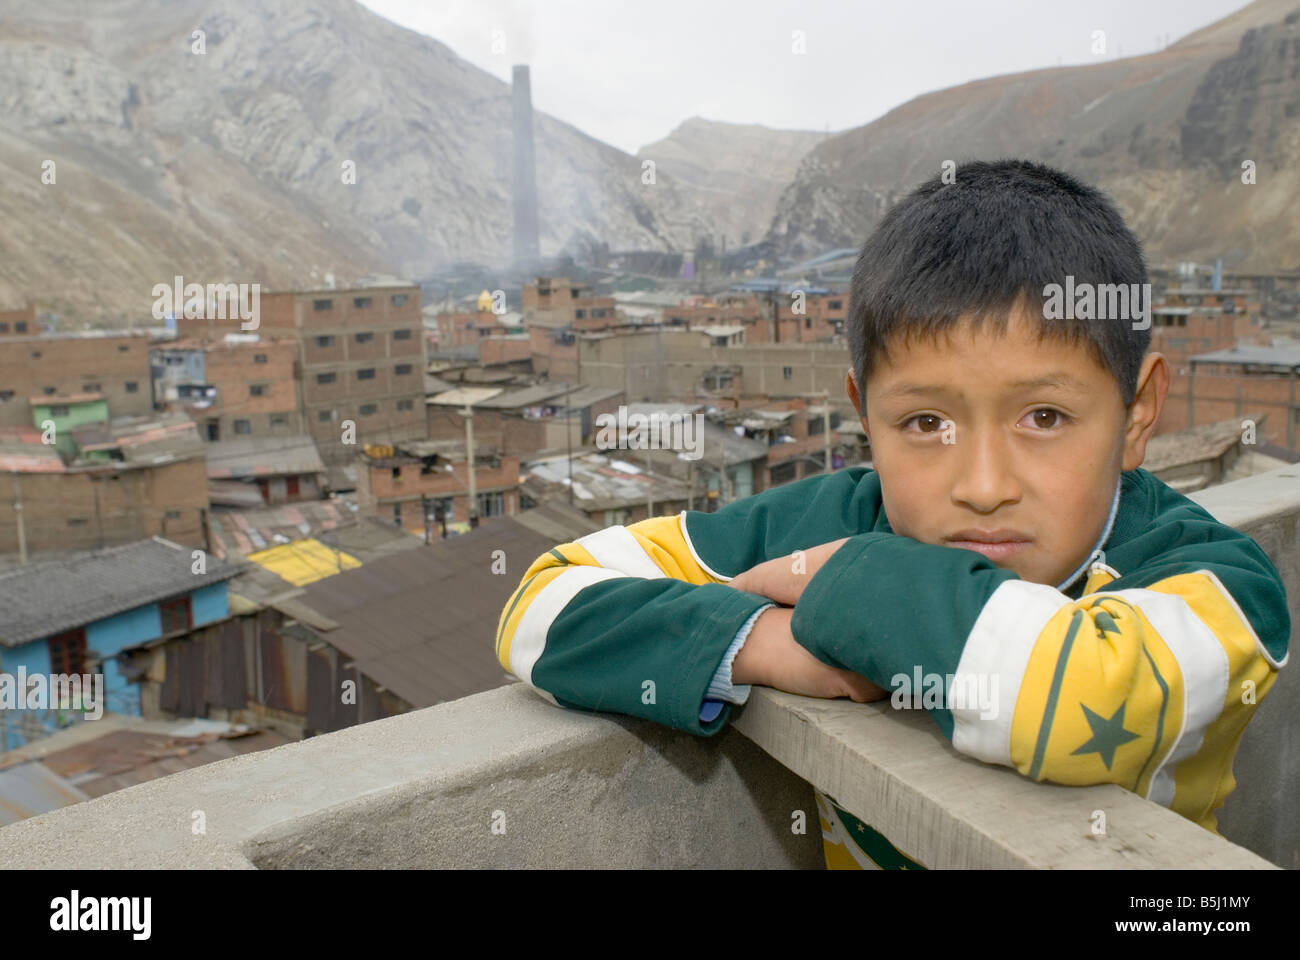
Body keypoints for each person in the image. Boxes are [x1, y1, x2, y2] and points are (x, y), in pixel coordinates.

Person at [494, 159, 1290, 869]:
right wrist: (758, 640)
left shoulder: (1220, 584)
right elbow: (541, 604)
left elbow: (1075, 694)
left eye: (1043, 417)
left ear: (1138, 413)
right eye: (924, 424)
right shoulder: (831, 512)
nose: (982, 485)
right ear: (863, 416)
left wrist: (848, 579)